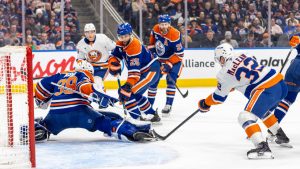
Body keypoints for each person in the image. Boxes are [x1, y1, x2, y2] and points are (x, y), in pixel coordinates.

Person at [197, 43, 291, 159]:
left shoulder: (224, 74)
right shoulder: (243, 53)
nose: (220, 63)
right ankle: (281, 136)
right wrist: (235, 84)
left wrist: (205, 103)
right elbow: (250, 71)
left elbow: (218, 98)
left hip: (267, 89)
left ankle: (262, 147)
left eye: (219, 60)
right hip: (281, 84)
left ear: (222, 57)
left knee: (245, 117)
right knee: (262, 111)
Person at [32, 60, 156, 142]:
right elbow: (85, 87)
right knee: (107, 121)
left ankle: (39, 129)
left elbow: (41, 85)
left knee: (46, 123)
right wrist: (103, 97)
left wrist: (41, 100)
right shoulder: (83, 75)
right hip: (80, 113)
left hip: (55, 116)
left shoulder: (58, 75)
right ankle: (132, 132)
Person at [108, 23, 161, 122]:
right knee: (132, 93)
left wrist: (127, 86)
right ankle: (152, 114)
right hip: (142, 72)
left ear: (130, 34)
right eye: (121, 36)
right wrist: (113, 64)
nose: (123, 39)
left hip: (150, 71)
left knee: (127, 93)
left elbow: (134, 73)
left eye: (126, 36)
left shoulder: (134, 46)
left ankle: (136, 120)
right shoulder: (120, 43)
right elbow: (114, 56)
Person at [147, 14, 184, 116]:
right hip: (160, 59)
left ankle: (168, 105)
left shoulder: (175, 34)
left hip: (174, 60)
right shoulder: (155, 29)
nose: (163, 26)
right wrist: (153, 54)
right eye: (161, 24)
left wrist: (168, 64)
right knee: (153, 82)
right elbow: (151, 44)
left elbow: (180, 54)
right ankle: (149, 106)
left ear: (169, 24)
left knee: (171, 81)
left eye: (165, 24)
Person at [76, 23, 116, 90]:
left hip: (104, 66)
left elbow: (115, 48)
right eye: (87, 32)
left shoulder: (103, 38)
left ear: (95, 32)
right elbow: (80, 58)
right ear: (84, 33)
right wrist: (82, 63)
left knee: (97, 81)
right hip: (90, 67)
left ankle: (103, 97)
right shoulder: (81, 44)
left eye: (92, 32)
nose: (90, 34)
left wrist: (114, 59)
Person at [273, 34, 300, 125]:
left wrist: (295, 38)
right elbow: (293, 37)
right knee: (288, 97)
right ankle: (272, 125)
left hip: (295, 66)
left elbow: (294, 37)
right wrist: (294, 38)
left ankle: (272, 125)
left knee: (287, 98)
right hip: (297, 67)